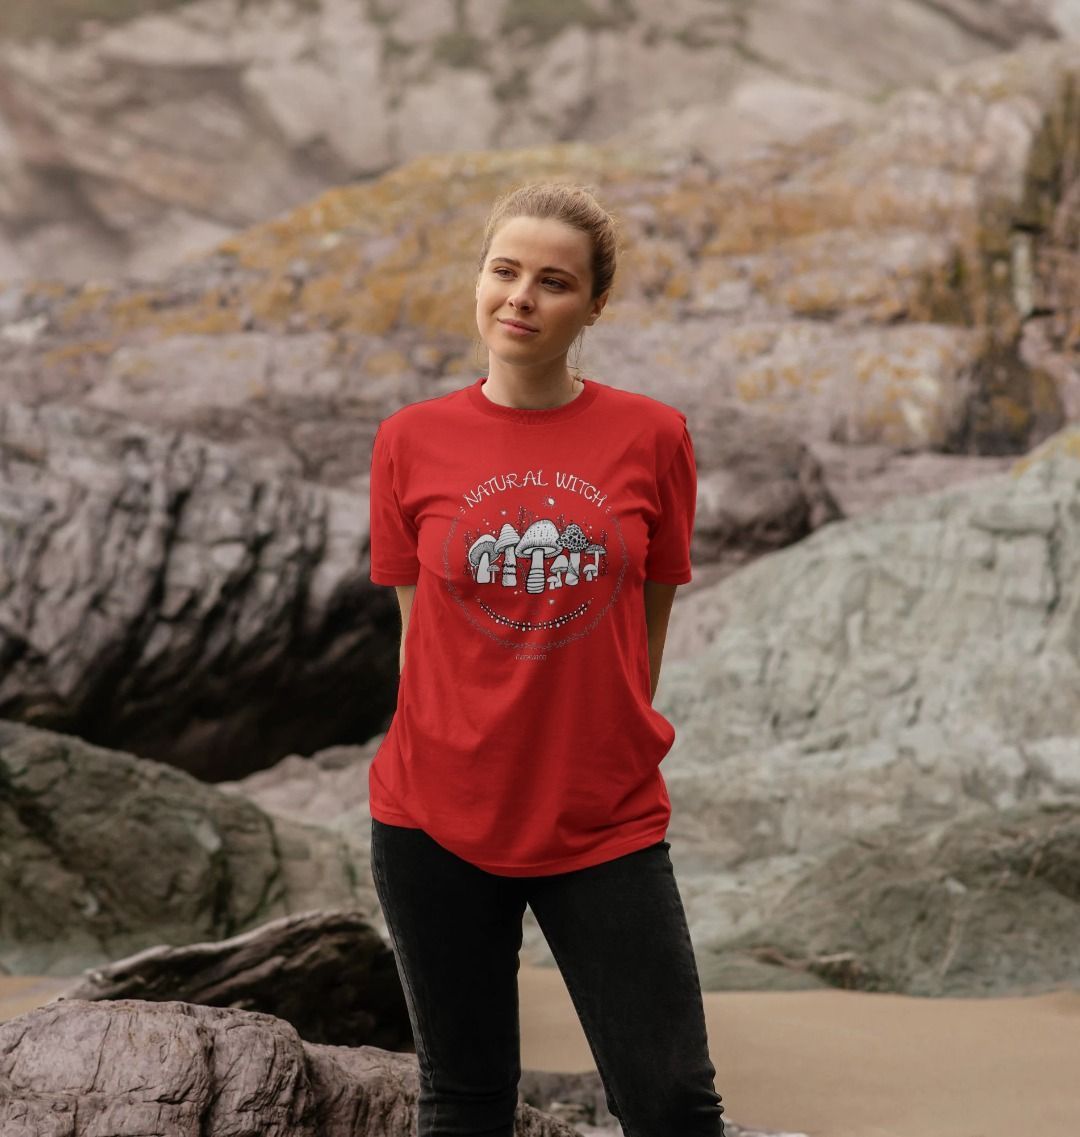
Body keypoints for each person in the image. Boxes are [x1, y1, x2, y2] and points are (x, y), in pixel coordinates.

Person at [367, 180, 725, 1137]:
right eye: (504, 271)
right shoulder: (408, 440)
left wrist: (593, 743)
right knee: (465, 1099)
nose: (521, 296)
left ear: (594, 305)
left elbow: (650, 624)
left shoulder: (655, 435)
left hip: (601, 818)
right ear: (479, 283)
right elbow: (417, 636)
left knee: (673, 1103)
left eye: (554, 281)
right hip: (434, 817)